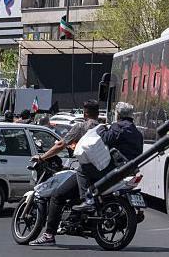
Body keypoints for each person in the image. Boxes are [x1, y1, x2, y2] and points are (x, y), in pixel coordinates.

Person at [30, 100, 101, 246]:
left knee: (57, 196)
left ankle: (49, 234)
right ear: (98, 113)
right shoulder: (103, 127)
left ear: (85, 113)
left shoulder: (81, 127)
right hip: (103, 171)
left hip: (86, 171)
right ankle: (76, 218)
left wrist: (42, 157)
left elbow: (61, 144)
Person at [74, 102, 144, 210]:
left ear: (118, 114)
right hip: (130, 169)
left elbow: (107, 138)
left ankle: (87, 200)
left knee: (82, 170)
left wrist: (100, 128)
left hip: (115, 168)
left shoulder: (119, 126)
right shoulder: (137, 132)